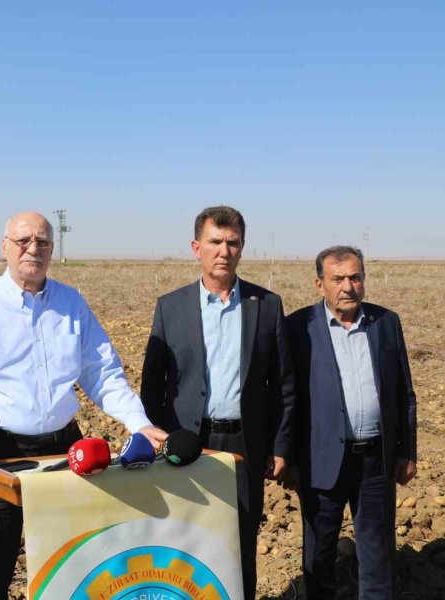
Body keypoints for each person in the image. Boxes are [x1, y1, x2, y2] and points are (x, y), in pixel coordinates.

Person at [0, 211, 167, 600]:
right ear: (4, 247)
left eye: (42, 241)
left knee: (73, 562)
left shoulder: (70, 304)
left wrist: (138, 422)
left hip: (64, 450)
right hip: (0, 454)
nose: (32, 249)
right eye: (23, 241)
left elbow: (103, 373)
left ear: (52, 250)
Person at [140, 205, 295, 599]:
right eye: (215, 242)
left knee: (240, 540)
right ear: (197, 248)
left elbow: (284, 386)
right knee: (183, 539)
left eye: (233, 243)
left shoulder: (267, 306)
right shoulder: (170, 307)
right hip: (186, 442)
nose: (224, 251)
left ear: (242, 249)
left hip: (244, 446)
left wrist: (279, 446)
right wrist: (157, 439)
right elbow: (152, 383)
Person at [287, 246, 416, 599]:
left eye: (355, 277)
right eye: (338, 278)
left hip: (375, 461)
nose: (348, 286)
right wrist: (289, 458)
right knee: (320, 554)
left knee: (377, 555)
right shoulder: (299, 327)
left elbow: (403, 391)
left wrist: (407, 451)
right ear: (320, 284)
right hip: (320, 462)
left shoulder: (386, 322)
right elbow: (288, 399)